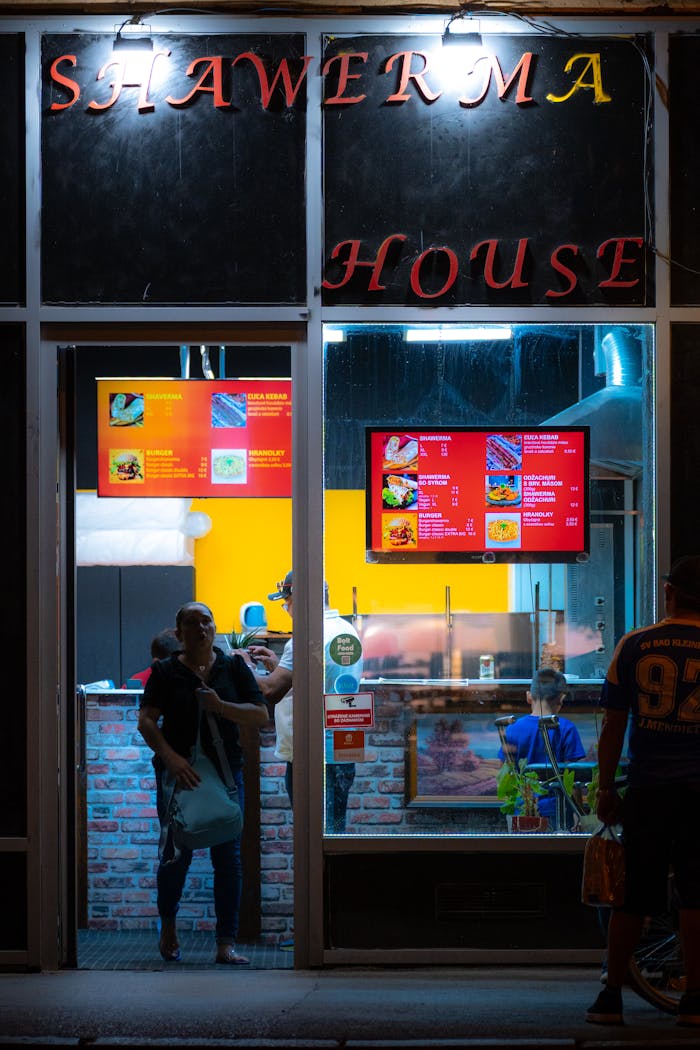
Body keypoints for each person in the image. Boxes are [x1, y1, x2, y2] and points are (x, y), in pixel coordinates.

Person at [586, 556, 700, 1028]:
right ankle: (694, 1000)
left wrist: (607, 785)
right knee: (696, 894)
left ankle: (611, 995)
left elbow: (613, 725)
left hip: (649, 788)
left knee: (634, 894)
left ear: (670, 592)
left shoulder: (634, 644)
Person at [137, 601, 268, 966]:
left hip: (226, 775)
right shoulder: (164, 672)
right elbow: (146, 721)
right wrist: (171, 759)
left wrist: (220, 706)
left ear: (215, 628)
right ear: (179, 634)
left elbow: (259, 714)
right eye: (192, 623)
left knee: (228, 858)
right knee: (176, 855)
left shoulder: (232, 667)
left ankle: (226, 942)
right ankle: (168, 928)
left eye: (206, 621)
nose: (201, 628)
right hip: (179, 776)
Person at [243, 570, 357, 832]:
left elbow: (272, 691)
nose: (286, 607)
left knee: (311, 836)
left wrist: (245, 666)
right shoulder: (344, 629)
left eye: (287, 601)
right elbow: (316, 679)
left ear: (300, 597)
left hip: (310, 754)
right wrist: (277, 662)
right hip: (341, 749)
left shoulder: (306, 636)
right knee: (334, 832)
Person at [498, 667, 585, 822]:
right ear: (561, 698)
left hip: (523, 808)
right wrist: (578, 813)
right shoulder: (566, 728)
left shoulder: (513, 728)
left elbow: (504, 771)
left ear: (529, 697)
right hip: (558, 810)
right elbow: (574, 778)